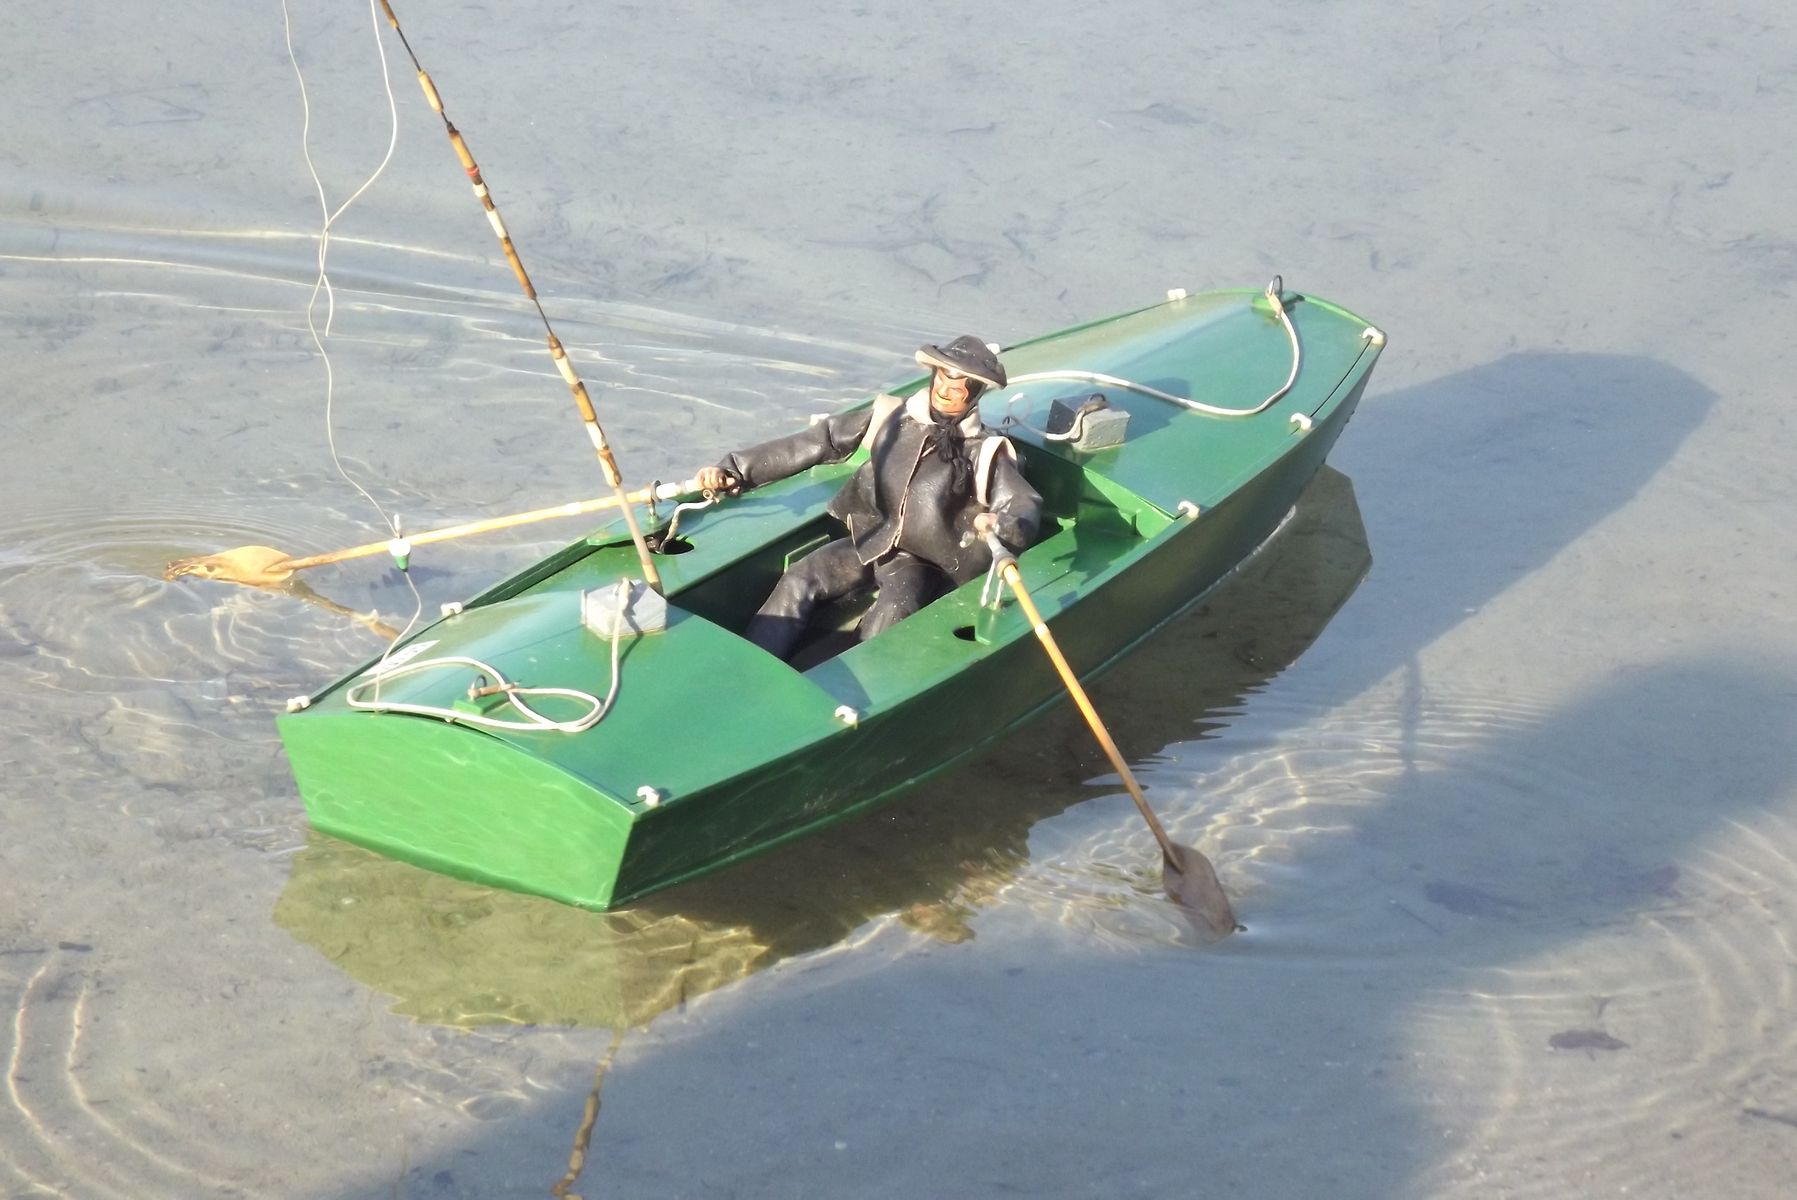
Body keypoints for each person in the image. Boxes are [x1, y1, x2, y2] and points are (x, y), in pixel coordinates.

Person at [695, 335, 1042, 660]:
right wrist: (736, 469)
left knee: (894, 609)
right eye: (942, 378)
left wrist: (1003, 523)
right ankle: (752, 661)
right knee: (802, 575)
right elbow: (822, 440)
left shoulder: (984, 452)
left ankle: (850, 683)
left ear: (974, 394)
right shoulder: (894, 418)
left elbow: (1021, 502)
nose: (945, 391)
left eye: (959, 387)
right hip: (871, 536)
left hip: (923, 560)